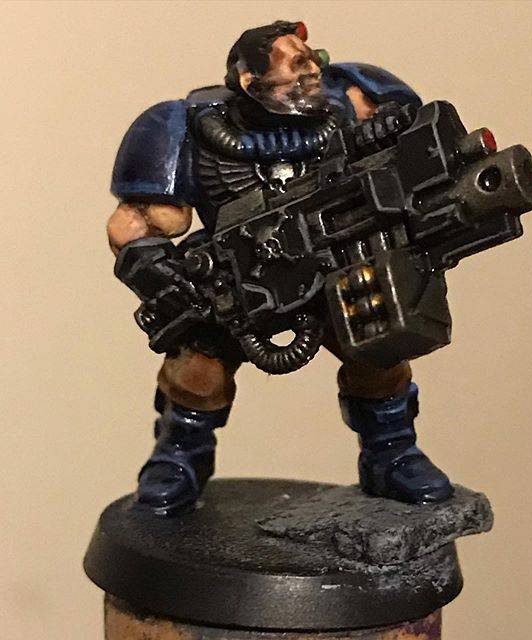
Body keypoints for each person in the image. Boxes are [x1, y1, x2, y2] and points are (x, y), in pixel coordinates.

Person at [106, 20, 453, 516]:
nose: (312, 70)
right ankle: (178, 458)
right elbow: (137, 222)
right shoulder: (188, 126)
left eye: (313, 59)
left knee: (380, 356)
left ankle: (392, 454)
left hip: (334, 260)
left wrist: (390, 134)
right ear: (251, 80)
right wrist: (162, 274)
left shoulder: (353, 100)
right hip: (239, 275)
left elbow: (413, 139)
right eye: (296, 64)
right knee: (198, 372)